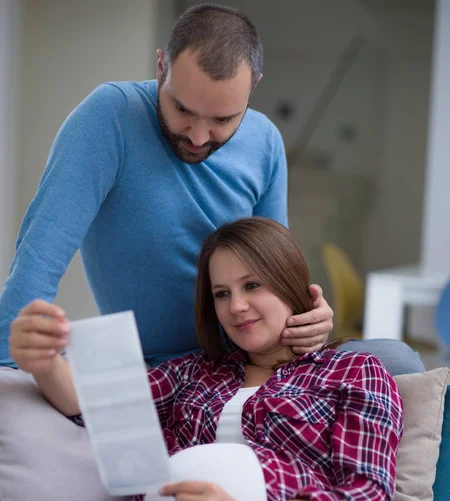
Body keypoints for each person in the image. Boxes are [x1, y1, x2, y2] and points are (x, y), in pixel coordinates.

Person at [2, 217, 403, 501]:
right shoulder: (195, 372)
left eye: (252, 285)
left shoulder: (353, 372)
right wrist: (43, 361)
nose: (237, 307)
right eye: (222, 294)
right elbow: (92, 403)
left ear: (289, 281)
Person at [0, 3, 335, 370]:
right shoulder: (110, 117)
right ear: (161, 67)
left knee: (391, 356)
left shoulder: (265, 141)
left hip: (250, 360)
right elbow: (39, 258)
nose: (198, 135)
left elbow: (277, 270)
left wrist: (311, 319)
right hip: (153, 368)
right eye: (183, 109)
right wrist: (6, 368)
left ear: (254, 84)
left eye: (222, 119)